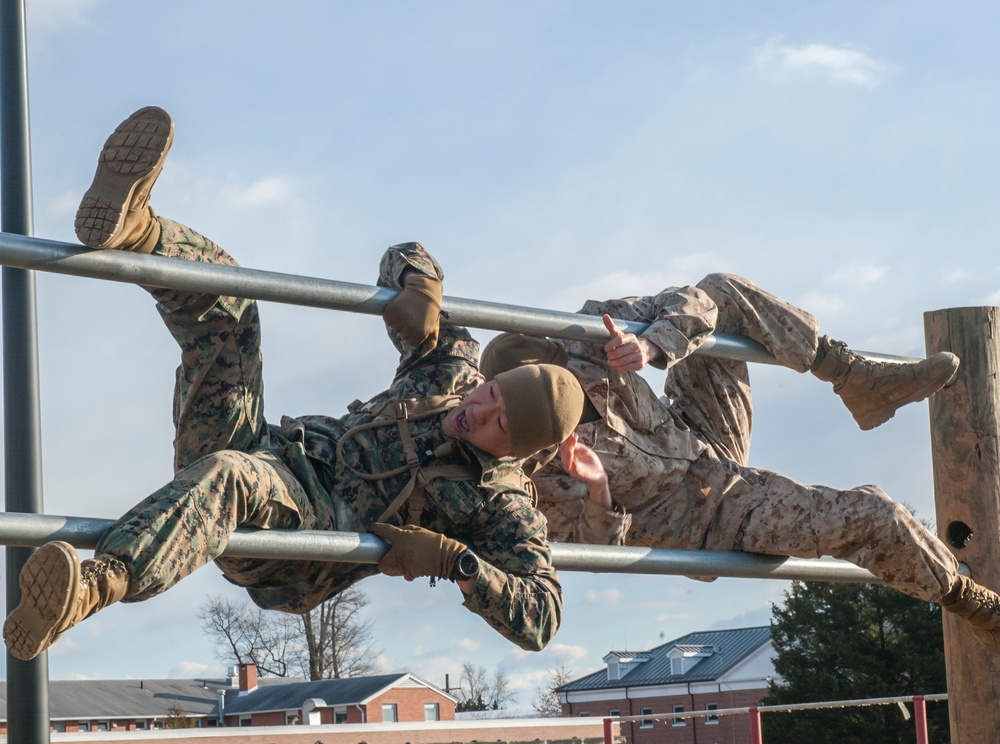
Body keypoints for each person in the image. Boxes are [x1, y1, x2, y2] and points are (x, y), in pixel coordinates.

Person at [3, 106, 586, 661]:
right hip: (273, 449)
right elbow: (403, 255)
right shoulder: (451, 372)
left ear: (517, 450)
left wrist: (455, 561)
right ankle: (139, 230)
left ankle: (92, 587)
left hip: (299, 537)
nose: (477, 411)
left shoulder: (501, 503)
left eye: (498, 423)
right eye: (491, 394)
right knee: (234, 315)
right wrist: (419, 284)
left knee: (230, 476)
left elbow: (541, 617)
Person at [480, 274, 1000, 652]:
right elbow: (595, 547)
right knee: (874, 513)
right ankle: (969, 599)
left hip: (696, 436)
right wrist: (597, 489)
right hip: (705, 515)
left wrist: (651, 346)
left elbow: (693, 302)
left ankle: (856, 377)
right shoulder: (532, 469)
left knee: (721, 292)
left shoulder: (585, 338)